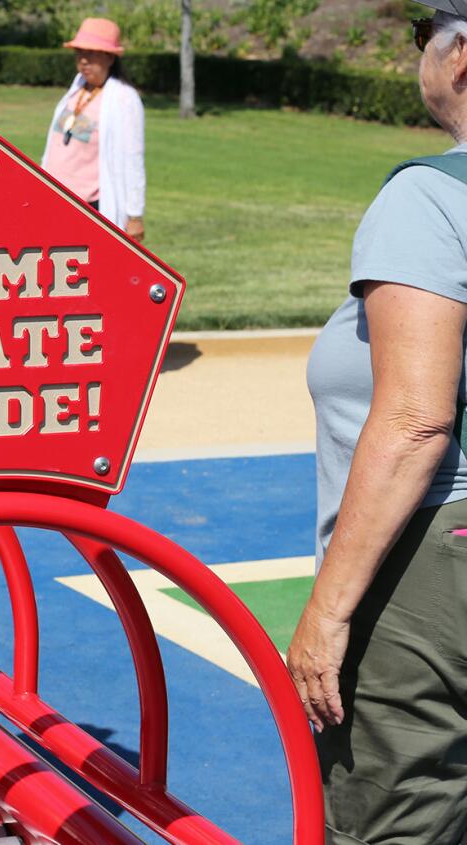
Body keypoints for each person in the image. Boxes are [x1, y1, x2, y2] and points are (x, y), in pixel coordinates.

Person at [287, 5, 467, 842]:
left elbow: (415, 419)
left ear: (460, 55)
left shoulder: (429, 196)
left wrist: (327, 608)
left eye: (421, 35)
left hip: (432, 555)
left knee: (399, 814)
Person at [41, 17, 146, 242]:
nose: (83, 60)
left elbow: (133, 158)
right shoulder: (78, 86)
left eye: (91, 53)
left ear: (110, 57)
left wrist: (134, 215)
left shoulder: (124, 98)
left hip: (89, 207)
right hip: (54, 200)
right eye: (79, 52)